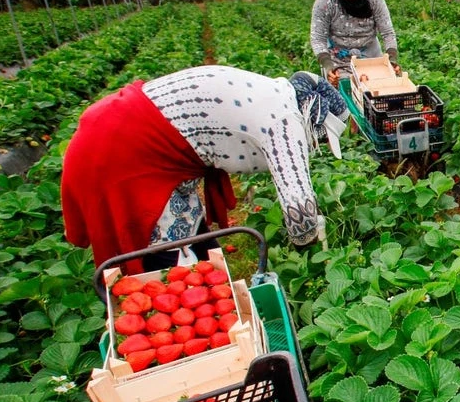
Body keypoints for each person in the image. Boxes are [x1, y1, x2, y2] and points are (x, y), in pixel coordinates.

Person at [62, 66, 350, 273]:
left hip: (122, 127)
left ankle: (209, 287)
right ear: (314, 117)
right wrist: (316, 258)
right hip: (122, 149)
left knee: (195, 235)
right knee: (168, 252)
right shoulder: (285, 120)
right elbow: (299, 210)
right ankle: (177, 310)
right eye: (323, 137)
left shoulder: (276, 93)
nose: (321, 145)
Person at [309, 0, 399, 81]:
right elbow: (318, 38)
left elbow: (388, 33)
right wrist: (328, 65)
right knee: (344, 93)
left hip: (371, 58)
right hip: (339, 61)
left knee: (379, 90)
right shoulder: (325, 2)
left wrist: (392, 58)